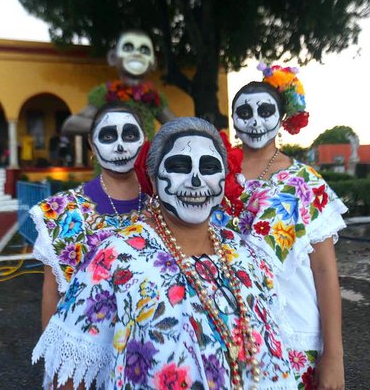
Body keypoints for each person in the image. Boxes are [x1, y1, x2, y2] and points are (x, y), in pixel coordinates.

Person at [32, 117, 296, 390]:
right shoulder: (113, 259)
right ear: (154, 180)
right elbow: (69, 378)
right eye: (179, 166)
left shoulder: (245, 255)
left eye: (208, 167)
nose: (196, 180)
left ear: (223, 179)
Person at [229, 65, 348, 390]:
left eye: (265, 111)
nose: (254, 121)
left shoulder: (305, 183)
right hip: (228, 337)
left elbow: (324, 271)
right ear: (233, 119)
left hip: (296, 336)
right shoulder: (211, 173)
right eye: (245, 112)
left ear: (282, 118)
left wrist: (334, 356)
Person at [30, 103, 147, 331]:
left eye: (130, 135)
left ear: (144, 141)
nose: (120, 146)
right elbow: (51, 294)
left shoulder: (168, 207)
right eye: (108, 136)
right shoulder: (61, 212)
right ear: (92, 145)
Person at [61, 29, 177, 140]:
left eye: (144, 50)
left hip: (143, 158)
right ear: (113, 57)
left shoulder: (153, 98)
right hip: (110, 157)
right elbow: (71, 124)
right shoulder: (106, 93)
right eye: (128, 47)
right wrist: (110, 126)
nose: (136, 53)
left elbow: (178, 125)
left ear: (154, 63)